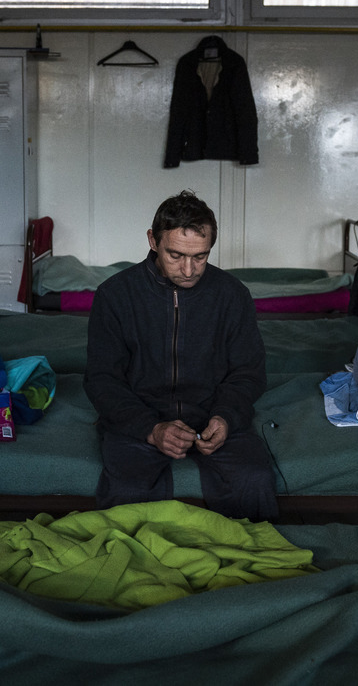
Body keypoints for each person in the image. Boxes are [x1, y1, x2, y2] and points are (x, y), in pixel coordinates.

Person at [84, 190, 278, 521]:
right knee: (127, 494)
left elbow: (248, 372)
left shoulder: (232, 295)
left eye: (200, 256)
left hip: (213, 417)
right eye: (175, 255)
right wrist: (150, 428)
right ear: (153, 241)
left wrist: (225, 418)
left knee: (254, 482)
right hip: (138, 420)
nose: (188, 269)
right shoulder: (115, 295)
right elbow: (102, 378)